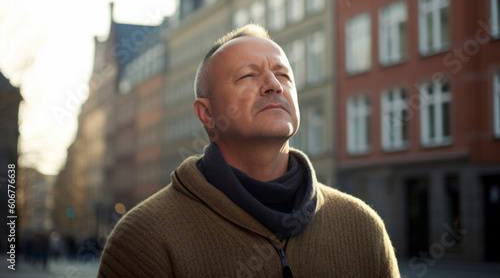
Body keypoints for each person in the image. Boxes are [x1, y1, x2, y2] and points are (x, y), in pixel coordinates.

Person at [98, 24, 400, 278]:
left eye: (283, 75)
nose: (273, 85)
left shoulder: (360, 227)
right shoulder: (144, 239)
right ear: (207, 114)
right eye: (248, 76)